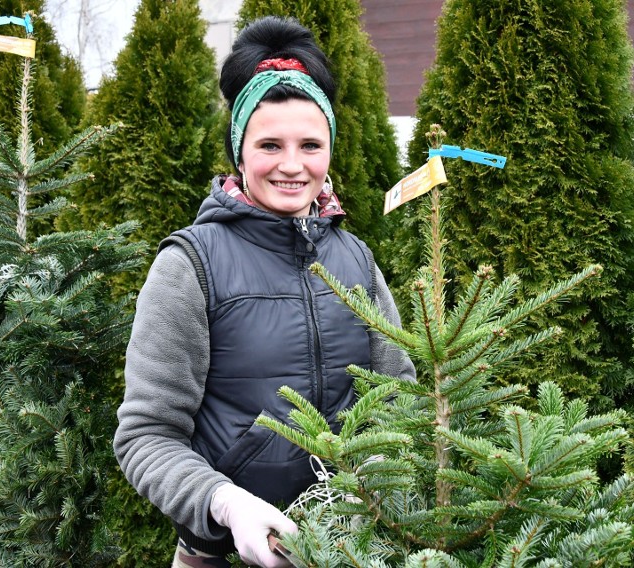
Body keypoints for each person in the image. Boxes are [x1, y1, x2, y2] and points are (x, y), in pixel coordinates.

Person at [113, 15, 416, 568]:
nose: (293, 165)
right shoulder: (190, 264)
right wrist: (225, 504)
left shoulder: (355, 259)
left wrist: (370, 483)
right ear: (239, 151)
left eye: (311, 144)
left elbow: (397, 393)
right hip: (222, 553)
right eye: (270, 144)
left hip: (351, 547)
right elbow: (146, 435)